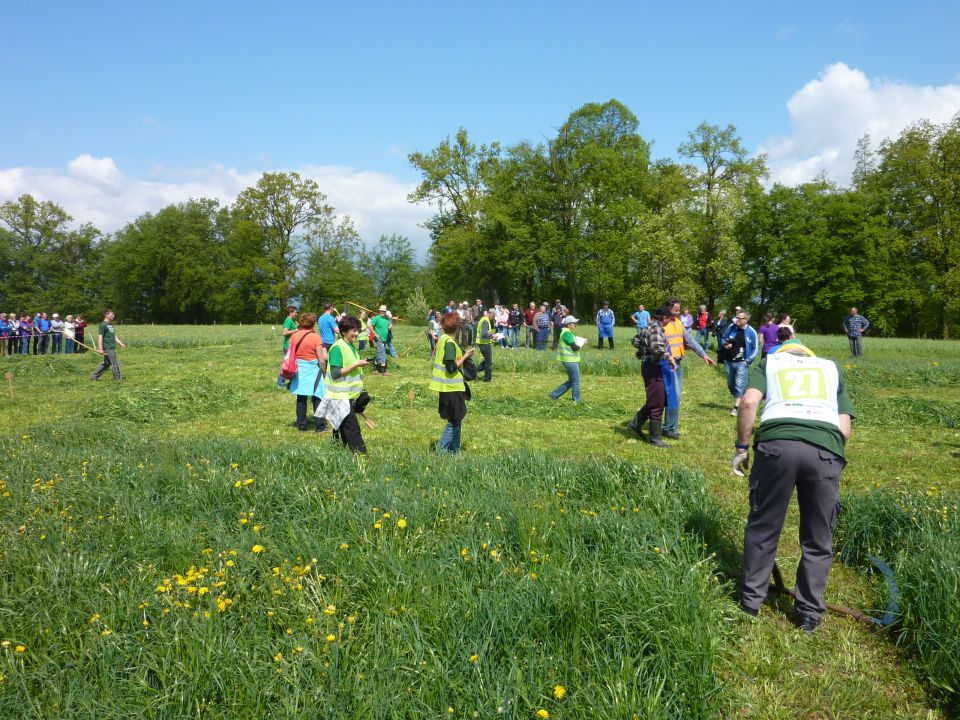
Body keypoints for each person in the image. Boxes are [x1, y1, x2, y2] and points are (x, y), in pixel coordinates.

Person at [734, 341, 854, 632]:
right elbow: (845, 428)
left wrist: (742, 446)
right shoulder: (831, 368)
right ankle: (809, 615)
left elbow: (749, 402)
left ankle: (751, 603)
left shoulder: (769, 363)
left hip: (777, 447)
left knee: (763, 526)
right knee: (818, 535)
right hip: (825, 451)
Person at [661, 298, 716, 438]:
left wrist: (703, 354)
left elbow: (690, 340)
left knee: (673, 397)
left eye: (679, 310)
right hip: (668, 365)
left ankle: (670, 427)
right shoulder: (661, 324)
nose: (679, 312)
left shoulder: (678, 323)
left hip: (677, 365)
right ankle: (669, 428)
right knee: (674, 396)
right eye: (676, 310)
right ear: (668, 308)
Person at [628, 306, 677, 448]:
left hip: (649, 366)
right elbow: (657, 347)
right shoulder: (656, 328)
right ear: (665, 318)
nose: (670, 322)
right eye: (670, 319)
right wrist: (670, 358)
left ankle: (635, 424)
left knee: (657, 398)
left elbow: (635, 340)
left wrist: (643, 349)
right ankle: (655, 439)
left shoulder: (647, 326)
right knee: (658, 402)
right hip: (653, 368)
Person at [320, 315, 369, 454]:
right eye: (353, 330)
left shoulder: (350, 346)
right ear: (343, 332)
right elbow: (335, 373)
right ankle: (361, 457)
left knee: (342, 427)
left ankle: (339, 452)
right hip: (339, 396)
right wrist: (356, 365)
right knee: (353, 428)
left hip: (347, 395)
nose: (357, 333)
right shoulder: (337, 348)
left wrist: (359, 364)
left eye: (358, 330)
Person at [429, 311, 475, 454]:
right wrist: (466, 355)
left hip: (447, 386)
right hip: (451, 387)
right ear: (456, 327)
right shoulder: (449, 343)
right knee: (454, 421)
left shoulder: (442, 339)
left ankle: (455, 451)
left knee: (457, 419)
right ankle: (441, 452)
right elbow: (450, 367)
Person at [287, 312, 328, 433]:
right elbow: (321, 360)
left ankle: (302, 426)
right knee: (317, 397)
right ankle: (320, 426)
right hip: (314, 369)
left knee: (301, 398)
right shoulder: (316, 337)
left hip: (299, 369)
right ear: (313, 323)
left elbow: (290, 353)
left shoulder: (294, 336)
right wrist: (324, 372)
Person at [721, 310, 760, 416]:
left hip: (742, 362)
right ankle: (742, 398)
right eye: (736, 317)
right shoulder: (731, 327)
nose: (736, 319)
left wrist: (748, 360)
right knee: (730, 384)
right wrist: (725, 344)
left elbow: (756, 348)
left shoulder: (751, 331)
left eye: (739, 318)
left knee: (739, 384)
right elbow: (723, 339)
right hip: (729, 361)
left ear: (745, 320)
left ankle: (736, 407)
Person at [549, 315, 582, 403]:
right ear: (568, 324)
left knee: (572, 381)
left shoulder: (567, 332)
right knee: (576, 381)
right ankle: (577, 400)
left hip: (569, 360)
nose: (576, 325)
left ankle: (554, 395)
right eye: (574, 323)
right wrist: (580, 345)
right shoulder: (567, 333)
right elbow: (574, 347)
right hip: (570, 360)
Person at [90, 309, 126, 381]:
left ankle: (93, 377)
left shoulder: (110, 325)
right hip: (108, 347)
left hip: (111, 347)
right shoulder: (103, 325)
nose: (113, 316)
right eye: (112, 314)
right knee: (114, 363)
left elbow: (113, 336)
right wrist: (100, 348)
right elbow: (100, 337)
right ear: (106, 315)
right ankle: (118, 380)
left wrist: (121, 343)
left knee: (107, 364)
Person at [278, 306, 298, 388]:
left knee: (290, 364)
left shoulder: (291, 320)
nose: (296, 314)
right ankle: (280, 382)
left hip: (291, 346)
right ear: (291, 312)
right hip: (288, 346)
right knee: (287, 365)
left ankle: (290, 383)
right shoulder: (288, 321)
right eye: (295, 312)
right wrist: (296, 330)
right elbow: (285, 332)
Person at [475, 307, 495, 382]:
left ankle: (474, 370)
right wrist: (493, 336)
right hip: (484, 344)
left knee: (488, 361)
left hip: (483, 343)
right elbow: (483, 334)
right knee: (488, 362)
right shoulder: (486, 321)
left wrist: (491, 337)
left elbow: (485, 333)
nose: (493, 317)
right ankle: (487, 379)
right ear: (490, 313)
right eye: (493, 316)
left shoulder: (483, 319)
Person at [369, 305, 390, 374]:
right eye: (381, 311)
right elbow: (370, 326)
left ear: (385, 312)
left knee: (379, 352)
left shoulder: (386, 319)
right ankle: (383, 370)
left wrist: (393, 320)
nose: (382, 312)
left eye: (383, 311)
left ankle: (375, 368)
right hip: (379, 338)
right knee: (383, 352)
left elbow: (389, 327)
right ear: (379, 311)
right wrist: (375, 334)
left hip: (384, 339)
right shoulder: (377, 318)